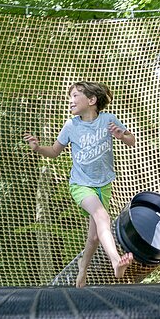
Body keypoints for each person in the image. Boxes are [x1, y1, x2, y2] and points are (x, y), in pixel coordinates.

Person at [25, 82, 136, 287]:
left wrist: (122, 136)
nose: (71, 100)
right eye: (70, 97)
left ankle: (82, 269)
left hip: (103, 186)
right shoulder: (71, 126)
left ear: (92, 101)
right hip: (80, 185)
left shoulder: (107, 120)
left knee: (94, 237)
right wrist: (38, 148)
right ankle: (115, 262)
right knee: (102, 216)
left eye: (76, 96)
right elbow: (54, 152)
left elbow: (132, 140)